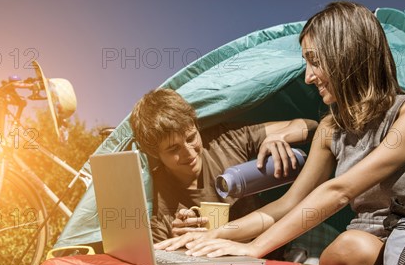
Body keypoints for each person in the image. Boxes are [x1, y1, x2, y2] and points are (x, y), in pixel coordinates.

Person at [155, 1, 405, 265]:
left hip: (393, 252)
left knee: (347, 250)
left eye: (315, 62)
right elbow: (289, 204)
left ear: (347, 54)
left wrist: (255, 247)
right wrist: (216, 235)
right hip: (340, 263)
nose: (308, 77)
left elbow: (339, 191)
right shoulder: (332, 128)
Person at [129, 88, 317, 246]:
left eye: (191, 138)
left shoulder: (226, 140)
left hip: (276, 244)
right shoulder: (153, 193)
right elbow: (155, 257)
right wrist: (177, 237)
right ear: (155, 153)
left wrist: (279, 137)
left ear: (196, 126)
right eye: (173, 149)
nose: (189, 153)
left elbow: (309, 125)